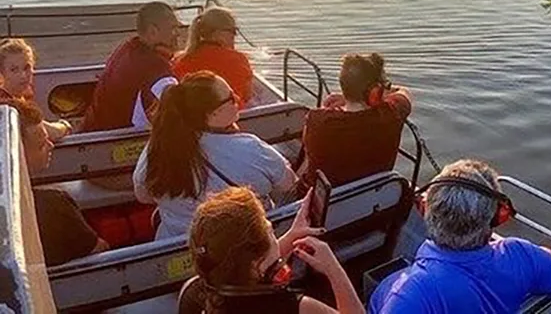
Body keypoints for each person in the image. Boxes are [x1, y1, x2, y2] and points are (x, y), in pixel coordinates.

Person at [368, 160, 551, 313]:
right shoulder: (521, 256)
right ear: (494, 218)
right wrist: (542, 254)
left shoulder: (411, 293)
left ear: (425, 211)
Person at [133, 72, 297, 239]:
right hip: (242, 249)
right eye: (231, 98)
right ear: (212, 114)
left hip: (174, 249)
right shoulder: (252, 149)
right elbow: (289, 185)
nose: (238, 99)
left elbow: (143, 196)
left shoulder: (157, 148)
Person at [186, 186, 364, 314]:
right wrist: (334, 270)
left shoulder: (195, 295)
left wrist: (291, 237)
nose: (275, 235)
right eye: (270, 231)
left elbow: (248, 261)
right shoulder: (295, 308)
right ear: (257, 264)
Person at [1, 97, 109, 265]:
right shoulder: (53, 205)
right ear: (17, 153)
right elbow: (98, 249)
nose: (51, 146)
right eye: (42, 145)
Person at [302, 53, 411, 185]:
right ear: (376, 92)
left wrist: (348, 97)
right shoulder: (391, 114)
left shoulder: (316, 119)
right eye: (385, 85)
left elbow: (310, 154)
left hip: (328, 203)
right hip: (375, 199)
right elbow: (403, 92)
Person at [82, 1, 181, 132]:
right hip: (114, 143)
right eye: (173, 29)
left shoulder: (127, 49)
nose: (178, 34)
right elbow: (179, 110)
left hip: (94, 131)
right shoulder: (155, 67)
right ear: (152, 31)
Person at [173, 7, 254, 109]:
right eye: (233, 31)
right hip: (232, 117)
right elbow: (248, 96)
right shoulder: (238, 59)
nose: (235, 36)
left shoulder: (181, 61)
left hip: (194, 119)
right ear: (217, 33)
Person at [0, 38, 72, 141]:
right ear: (1, 73)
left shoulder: (23, 93)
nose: (23, 75)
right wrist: (65, 125)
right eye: (14, 70)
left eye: (27, 67)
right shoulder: (7, 104)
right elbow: (52, 132)